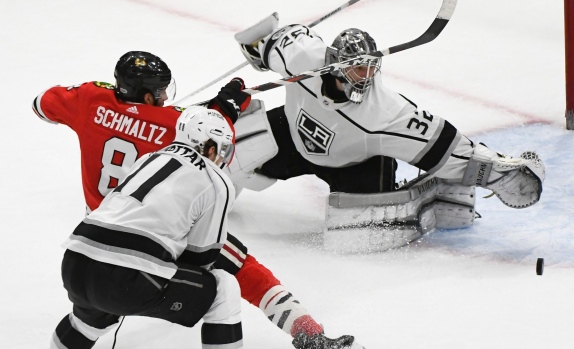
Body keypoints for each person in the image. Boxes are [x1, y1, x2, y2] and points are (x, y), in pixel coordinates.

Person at [33, 51, 361, 349]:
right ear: (148, 94)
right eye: (159, 93)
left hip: (96, 229)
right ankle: (310, 334)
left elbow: (42, 103)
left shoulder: (90, 99)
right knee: (237, 273)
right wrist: (230, 102)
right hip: (155, 231)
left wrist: (104, 102)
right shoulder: (170, 124)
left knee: (92, 317)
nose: (163, 97)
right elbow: (208, 132)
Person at [233, 24, 545, 209]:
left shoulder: (384, 112)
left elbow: (444, 146)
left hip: (355, 164)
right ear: (336, 64)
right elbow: (269, 42)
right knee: (234, 151)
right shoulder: (301, 57)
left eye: (371, 67)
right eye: (358, 68)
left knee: (363, 225)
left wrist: (498, 174)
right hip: (293, 140)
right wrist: (256, 46)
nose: (365, 76)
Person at [52, 106, 243, 348]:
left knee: (88, 320)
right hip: (127, 278)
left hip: (75, 262)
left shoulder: (148, 158)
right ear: (211, 147)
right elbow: (200, 258)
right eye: (222, 149)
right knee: (223, 288)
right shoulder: (216, 180)